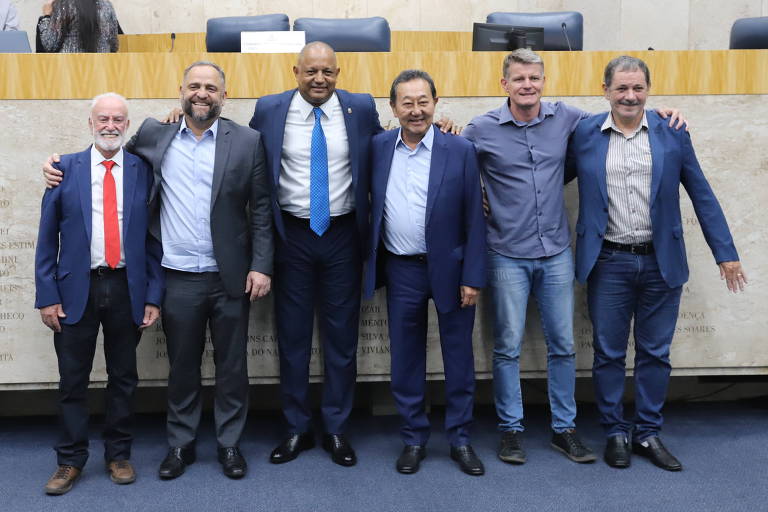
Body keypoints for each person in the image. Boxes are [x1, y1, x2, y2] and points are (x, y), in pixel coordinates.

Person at [43, 61, 274, 480]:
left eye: (210, 88)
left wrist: (261, 265)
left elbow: (260, 210)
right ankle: (181, 445)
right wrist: (57, 165)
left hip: (231, 277)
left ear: (225, 94)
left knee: (232, 366)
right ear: (180, 91)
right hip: (177, 275)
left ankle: (229, 445)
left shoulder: (248, 141)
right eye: (194, 87)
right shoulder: (154, 134)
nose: (201, 94)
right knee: (182, 367)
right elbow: (106, 156)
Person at [462, 48, 685, 466]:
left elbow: (625, 113)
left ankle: (564, 429)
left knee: (563, 345)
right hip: (506, 253)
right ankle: (511, 430)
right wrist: (478, 194)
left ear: (544, 82)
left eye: (535, 78)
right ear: (504, 84)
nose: (528, 85)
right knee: (507, 346)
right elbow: (452, 167)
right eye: (519, 79)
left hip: (556, 254)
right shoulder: (481, 129)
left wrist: (662, 115)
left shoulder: (569, 119)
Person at [565, 55, 746, 471]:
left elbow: (701, 192)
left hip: (661, 262)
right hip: (608, 261)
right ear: (605, 90)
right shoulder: (585, 133)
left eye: (638, 88)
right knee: (609, 352)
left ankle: (646, 433)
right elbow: (547, 178)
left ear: (648, 90)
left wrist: (726, 253)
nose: (630, 96)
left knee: (655, 353)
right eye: (622, 88)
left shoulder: (672, 132)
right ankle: (614, 431)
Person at [248, 41, 383, 467]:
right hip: (292, 237)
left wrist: (445, 126)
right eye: (311, 72)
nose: (319, 79)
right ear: (296, 71)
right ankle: (296, 428)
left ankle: (337, 429)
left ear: (338, 73)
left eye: (327, 72)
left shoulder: (360, 108)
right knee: (292, 339)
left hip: (343, 235)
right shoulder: (269, 109)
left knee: (342, 339)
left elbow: (387, 151)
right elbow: (248, 159)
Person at [35, 93, 163, 495]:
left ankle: (118, 454)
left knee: (124, 377)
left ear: (127, 125)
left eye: (118, 119)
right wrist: (46, 295)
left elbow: (153, 240)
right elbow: (46, 238)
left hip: (127, 286)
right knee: (73, 381)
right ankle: (70, 460)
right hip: (77, 288)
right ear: (90, 123)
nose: (110, 125)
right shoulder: (63, 169)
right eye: (103, 118)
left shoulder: (143, 170)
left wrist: (153, 295)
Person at [363, 70, 486, 476]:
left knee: (458, 357)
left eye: (423, 101)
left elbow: (474, 218)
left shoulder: (460, 149)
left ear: (436, 102)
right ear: (393, 108)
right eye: (407, 103)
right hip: (401, 269)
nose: (416, 110)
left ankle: (460, 439)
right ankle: (414, 437)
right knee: (406, 358)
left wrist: (472, 276)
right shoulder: (378, 147)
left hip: (451, 270)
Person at [38, 0, 119, 53]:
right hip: (101, 72)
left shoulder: (64, 6)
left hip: (69, 73)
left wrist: (46, 17)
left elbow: (49, 44)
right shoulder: (107, 6)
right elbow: (114, 45)